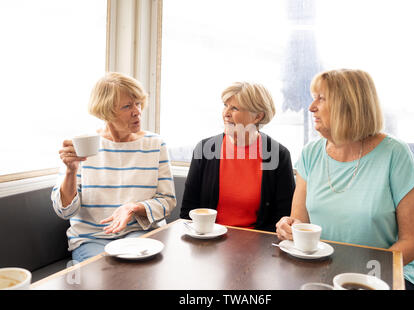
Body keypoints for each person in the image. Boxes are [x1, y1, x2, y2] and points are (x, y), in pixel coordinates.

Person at [275, 69, 414, 290]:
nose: (311, 107)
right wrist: (289, 228)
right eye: (313, 98)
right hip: (325, 271)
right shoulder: (310, 153)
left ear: (349, 105)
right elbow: (300, 222)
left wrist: (360, 277)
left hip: (386, 274)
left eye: (321, 98)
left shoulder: (396, 154)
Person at [51, 72, 176, 262]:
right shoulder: (83, 145)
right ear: (106, 112)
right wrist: (71, 170)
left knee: (135, 269)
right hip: (92, 239)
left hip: (139, 234)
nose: (137, 111)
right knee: (107, 275)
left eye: (138, 103)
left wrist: (133, 208)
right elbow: (64, 211)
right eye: (127, 106)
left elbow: (167, 201)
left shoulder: (155, 144)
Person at [180, 82, 295, 232]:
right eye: (225, 106)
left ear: (258, 116)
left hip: (258, 245)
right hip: (208, 241)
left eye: (234, 108)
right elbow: (188, 212)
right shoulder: (204, 149)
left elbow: (283, 217)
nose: (226, 113)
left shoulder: (279, 155)